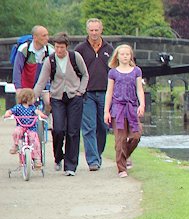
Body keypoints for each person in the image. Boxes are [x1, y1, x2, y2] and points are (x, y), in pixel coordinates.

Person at [34, 32, 88, 176]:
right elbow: (41, 81)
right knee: (58, 129)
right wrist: (32, 98)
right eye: (57, 47)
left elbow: (85, 75)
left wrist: (81, 91)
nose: (59, 50)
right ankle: (58, 157)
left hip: (74, 97)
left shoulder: (75, 57)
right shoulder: (50, 60)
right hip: (57, 97)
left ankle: (71, 165)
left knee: (73, 131)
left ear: (67, 47)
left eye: (62, 47)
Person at [75, 18, 114, 172]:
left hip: (105, 92)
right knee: (88, 127)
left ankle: (97, 154)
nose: (94, 33)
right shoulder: (80, 49)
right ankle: (92, 160)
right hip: (87, 94)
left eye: (96, 30)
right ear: (87, 31)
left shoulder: (109, 49)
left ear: (101, 30)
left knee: (103, 127)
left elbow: (114, 71)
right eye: (91, 30)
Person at [104, 44, 145, 178]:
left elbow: (139, 89)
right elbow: (109, 92)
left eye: (127, 54)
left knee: (136, 135)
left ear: (131, 56)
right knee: (120, 139)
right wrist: (106, 111)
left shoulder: (136, 71)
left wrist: (142, 104)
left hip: (132, 107)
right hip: (118, 108)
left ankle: (124, 156)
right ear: (117, 56)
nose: (125, 56)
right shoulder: (113, 72)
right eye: (122, 54)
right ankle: (121, 168)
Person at [4, 89, 48, 169]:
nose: (34, 100)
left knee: (35, 141)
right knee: (16, 132)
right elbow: (11, 111)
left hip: (31, 128)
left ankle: (37, 159)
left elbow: (37, 112)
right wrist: (7, 114)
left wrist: (42, 115)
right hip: (21, 126)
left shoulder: (32, 108)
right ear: (28, 98)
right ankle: (16, 145)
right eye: (33, 98)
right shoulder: (18, 107)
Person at [12, 25, 53, 90]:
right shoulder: (24, 49)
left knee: (47, 100)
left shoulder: (51, 50)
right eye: (44, 36)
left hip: (45, 88)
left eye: (47, 35)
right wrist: (18, 88)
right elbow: (17, 70)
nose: (47, 38)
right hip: (26, 88)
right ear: (35, 37)